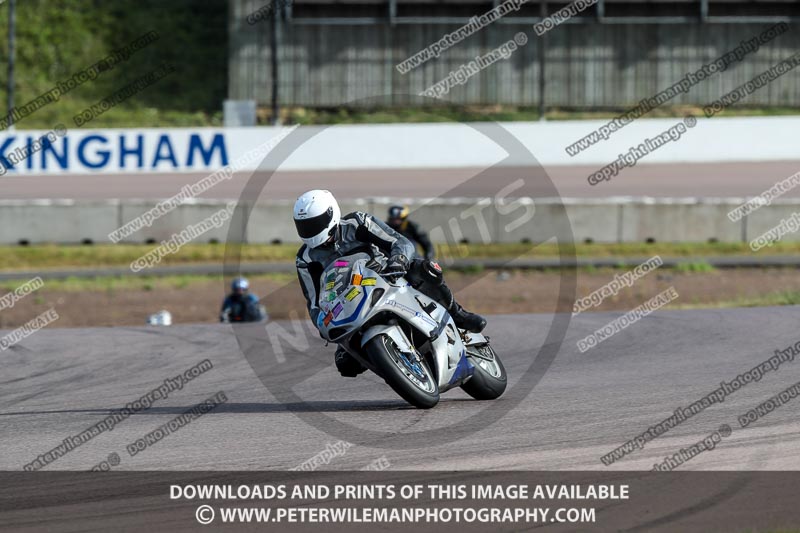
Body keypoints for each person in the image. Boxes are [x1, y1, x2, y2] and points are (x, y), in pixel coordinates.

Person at [293, 189, 485, 378]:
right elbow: (314, 302)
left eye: (313, 224)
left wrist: (399, 259)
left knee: (426, 268)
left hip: (386, 275)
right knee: (345, 364)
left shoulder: (357, 223)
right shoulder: (305, 259)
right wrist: (321, 324)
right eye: (304, 225)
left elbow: (399, 242)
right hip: (349, 304)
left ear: (330, 214)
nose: (310, 230)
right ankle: (395, 366)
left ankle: (457, 313)